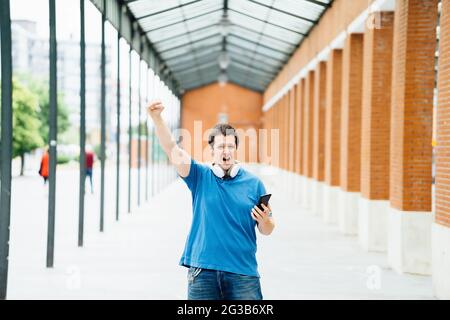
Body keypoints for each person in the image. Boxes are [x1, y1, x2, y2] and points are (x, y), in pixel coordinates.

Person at [147, 100, 275, 300]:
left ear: (236, 149)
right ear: (212, 151)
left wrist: (265, 220)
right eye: (221, 146)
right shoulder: (199, 176)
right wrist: (157, 118)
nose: (226, 151)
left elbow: (267, 229)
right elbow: (172, 149)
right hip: (203, 272)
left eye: (231, 147)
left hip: (243, 273)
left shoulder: (254, 184)